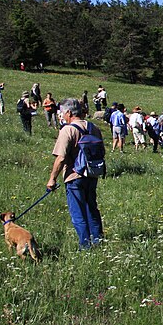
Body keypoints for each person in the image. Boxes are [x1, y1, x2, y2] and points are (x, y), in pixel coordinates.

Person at [46, 98, 104, 249]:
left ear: (69, 113)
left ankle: (85, 245)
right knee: (92, 208)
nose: (61, 116)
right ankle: (98, 240)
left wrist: (52, 179)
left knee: (78, 212)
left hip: (74, 176)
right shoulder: (94, 128)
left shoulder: (68, 129)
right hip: (92, 174)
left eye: (62, 113)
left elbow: (61, 157)